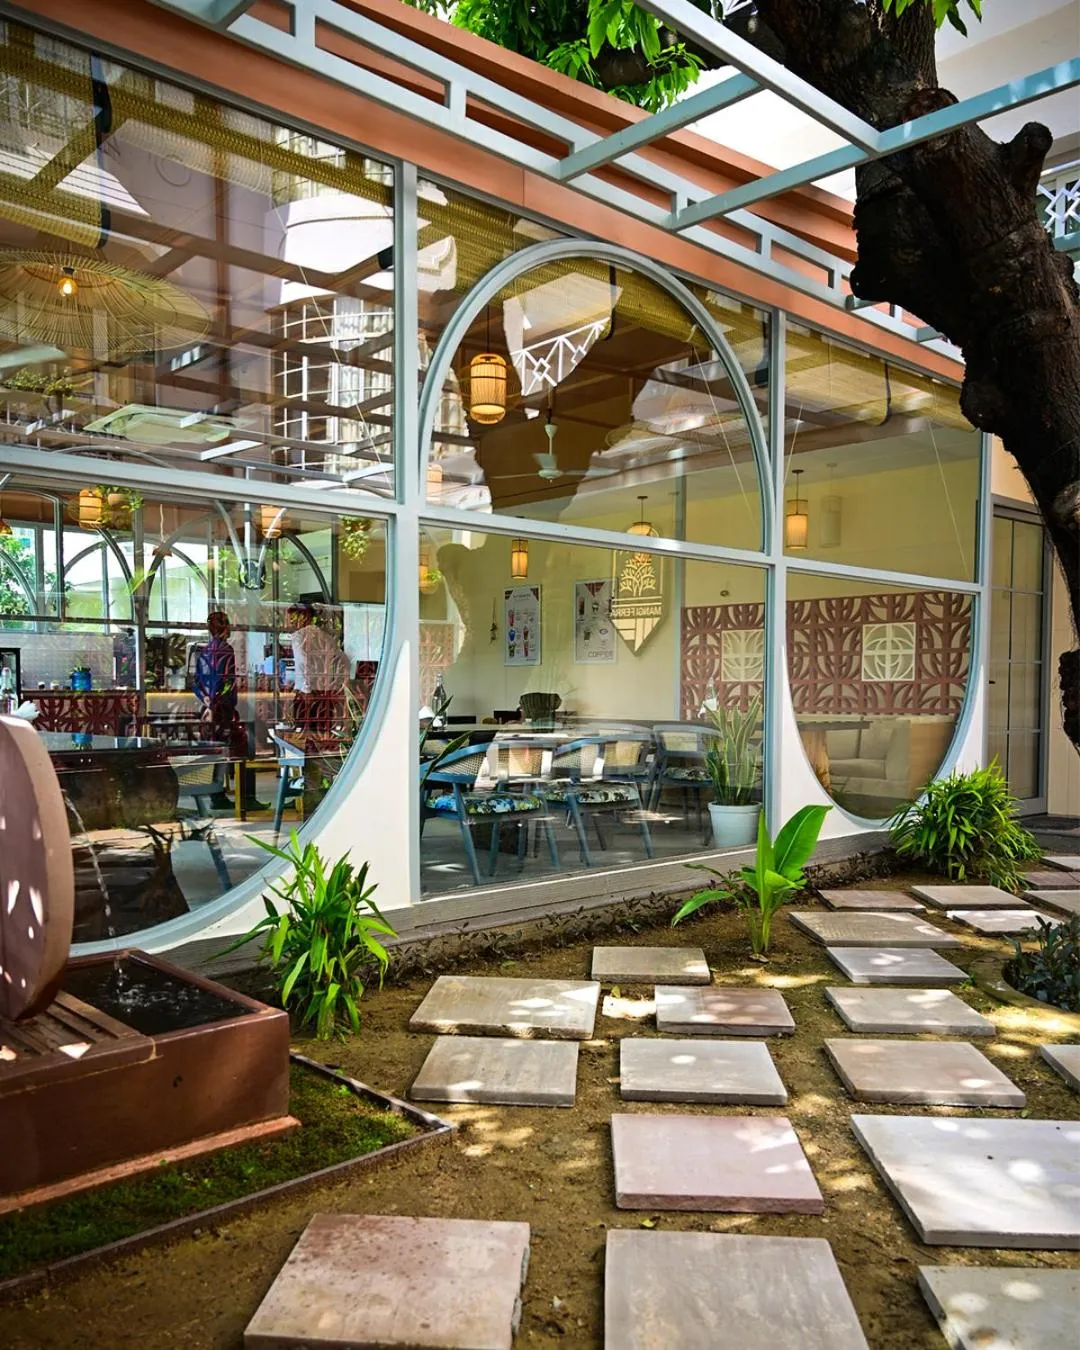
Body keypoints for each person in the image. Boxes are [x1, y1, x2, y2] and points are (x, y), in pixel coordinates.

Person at [194, 611, 266, 811]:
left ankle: (216, 796)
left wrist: (206, 701)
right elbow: (227, 681)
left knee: (215, 752)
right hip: (223, 710)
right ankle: (247, 798)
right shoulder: (226, 650)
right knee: (243, 747)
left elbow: (196, 683)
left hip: (207, 712)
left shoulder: (204, 651)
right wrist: (217, 702)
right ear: (225, 627)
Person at [286, 602, 350, 734]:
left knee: (303, 735)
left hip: (306, 694)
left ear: (303, 617)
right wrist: (336, 685)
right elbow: (343, 660)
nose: (290, 622)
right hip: (325, 693)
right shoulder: (326, 637)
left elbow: (304, 662)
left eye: (292, 618)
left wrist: (306, 689)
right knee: (322, 734)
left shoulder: (299, 636)